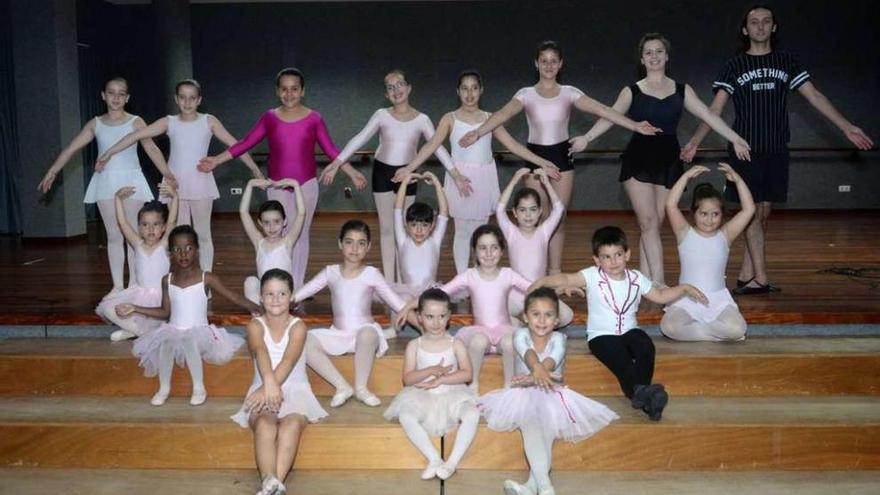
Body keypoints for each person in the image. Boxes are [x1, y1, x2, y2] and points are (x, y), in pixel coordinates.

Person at [681, 4, 874, 294]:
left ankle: (748, 273)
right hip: (745, 148)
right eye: (753, 22)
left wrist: (846, 126)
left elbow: (814, 96)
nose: (759, 26)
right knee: (752, 212)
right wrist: (696, 140)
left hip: (776, 148)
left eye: (765, 21)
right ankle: (760, 277)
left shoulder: (787, 62)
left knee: (763, 213)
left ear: (774, 27)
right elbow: (715, 109)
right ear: (745, 30)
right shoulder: (734, 66)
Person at [459, 41, 660, 277]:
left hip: (561, 157)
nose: (548, 65)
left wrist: (634, 125)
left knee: (558, 217)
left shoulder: (569, 92)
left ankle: (555, 271)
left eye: (553, 60)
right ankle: (534, 272)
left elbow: (602, 109)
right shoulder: (525, 94)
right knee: (534, 219)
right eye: (543, 60)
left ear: (561, 64)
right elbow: (502, 114)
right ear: (536, 64)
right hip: (535, 157)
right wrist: (478, 131)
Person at [569, 33, 752, 285]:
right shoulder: (631, 91)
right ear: (642, 59)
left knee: (654, 225)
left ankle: (643, 282)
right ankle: (659, 283)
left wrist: (735, 138)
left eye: (658, 51)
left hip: (668, 160)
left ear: (666, 56)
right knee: (648, 222)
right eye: (648, 53)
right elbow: (609, 117)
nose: (654, 56)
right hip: (639, 159)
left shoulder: (682, 90)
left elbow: (710, 116)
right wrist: (587, 138)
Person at [199, 68, 367, 290]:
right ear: (278, 91)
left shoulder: (314, 118)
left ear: (302, 91)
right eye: (284, 89)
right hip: (277, 186)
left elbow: (331, 150)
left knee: (300, 234)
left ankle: (295, 288)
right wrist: (216, 160)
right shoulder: (270, 117)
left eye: (294, 89)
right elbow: (246, 143)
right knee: (279, 236)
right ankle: (278, 285)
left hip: (305, 186)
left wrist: (352, 172)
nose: (289, 94)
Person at [529, 226, 707, 421]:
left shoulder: (637, 278)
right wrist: (541, 282)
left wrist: (684, 288)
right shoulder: (592, 276)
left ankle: (644, 396)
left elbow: (661, 295)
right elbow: (565, 278)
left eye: (618, 255)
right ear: (597, 260)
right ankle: (645, 394)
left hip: (630, 330)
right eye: (606, 257)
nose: (613, 261)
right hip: (601, 335)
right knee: (620, 357)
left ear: (627, 254)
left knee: (645, 346)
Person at [96, 79, 263, 272]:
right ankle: (184, 276)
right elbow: (135, 136)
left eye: (192, 98)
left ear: (199, 100)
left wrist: (254, 169)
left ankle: (205, 278)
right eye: (182, 97)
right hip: (174, 184)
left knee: (202, 234)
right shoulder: (169, 122)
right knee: (179, 234)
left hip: (200, 182)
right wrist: (108, 153)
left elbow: (236, 144)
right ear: (176, 99)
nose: (187, 102)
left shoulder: (209, 121)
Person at [403, 70, 560, 273]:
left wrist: (543, 162)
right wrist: (408, 167)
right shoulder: (449, 119)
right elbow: (431, 145)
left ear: (481, 90)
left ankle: (479, 276)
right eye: (465, 88)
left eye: (474, 88)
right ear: (458, 92)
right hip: (460, 178)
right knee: (461, 232)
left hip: (484, 178)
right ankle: (462, 279)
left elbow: (513, 145)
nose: (470, 94)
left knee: (480, 232)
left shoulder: (490, 119)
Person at [319, 69, 468, 282]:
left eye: (399, 84)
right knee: (388, 229)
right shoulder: (382, 115)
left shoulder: (422, 119)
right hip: (383, 172)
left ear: (409, 88)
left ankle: (404, 279)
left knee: (406, 231)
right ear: (386, 95)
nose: (396, 90)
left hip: (408, 174)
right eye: (390, 87)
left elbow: (437, 147)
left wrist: (456, 174)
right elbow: (359, 138)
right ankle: (389, 283)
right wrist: (337, 163)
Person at [37, 77, 174, 298]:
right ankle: (118, 285)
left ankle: (134, 284)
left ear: (127, 98)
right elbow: (71, 148)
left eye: (121, 94)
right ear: (103, 95)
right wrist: (53, 170)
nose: (116, 98)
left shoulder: (136, 122)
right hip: (105, 182)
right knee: (113, 235)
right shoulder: (95, 123)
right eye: (111, 93)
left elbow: (152, 149)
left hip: (132, 181)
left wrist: (168, 174)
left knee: (133, 236)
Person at [478, 288, 618, 495]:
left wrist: (538, 373)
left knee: (547, 433)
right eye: (536, 314)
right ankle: (544, 487)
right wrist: (536, 371)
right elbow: (529, 354)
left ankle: (533, 486)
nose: (542, 320)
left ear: (557, 320)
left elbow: (552, 361)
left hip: (554, 395)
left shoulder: (560, 339)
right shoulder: (520, 335)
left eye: (548, 315)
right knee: (531, 425)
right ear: (525, 317)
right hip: (523, 394)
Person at [119, 225, 262, 406]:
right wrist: (134, 308)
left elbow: (233, 297)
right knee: (167, 341)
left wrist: (260, 308)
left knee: (188, 340)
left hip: (201, 334)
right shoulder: (167, 280)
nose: (183, 254)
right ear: (170, 253)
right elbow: (165, 312)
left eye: (188, 248)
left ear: (197, 250)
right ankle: (164, 388)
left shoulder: (206, 278)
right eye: (177, 250)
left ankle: (199, 387)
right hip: (174, 330)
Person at [399, 224, 531, 391]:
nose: (489, 254)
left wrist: (559, 286)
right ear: (474, 251)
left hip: (503, 330)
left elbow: (533, 287)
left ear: (502, 250)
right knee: (478, 341)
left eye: (494, 248)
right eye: (483, 248)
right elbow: (440, 292)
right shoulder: (470, 275)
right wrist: (409, 306)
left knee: (509, 342)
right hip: (480, 331)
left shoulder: (508, 274)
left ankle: (510, 385)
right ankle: (472, 385)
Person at [231, 269, 327, 495]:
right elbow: (261, 351)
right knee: (265, 424)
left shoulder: (299, 326)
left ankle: (273, 485)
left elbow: (289, 359)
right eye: (270, 294)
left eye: (282, 294)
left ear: (292, 297)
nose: (276, 300)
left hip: (295, 390)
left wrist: (270, 387)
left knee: (291, 424)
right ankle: (269, 480)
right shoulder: (255, 326)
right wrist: (267, 386)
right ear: (261, 298)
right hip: (264, 385)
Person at [293, 220, 406, 408]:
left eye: (361, 243)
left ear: (368, 247)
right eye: (349, 242)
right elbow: (303, 292)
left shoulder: (371, 273)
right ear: (340, 244)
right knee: (304, 340)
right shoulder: (330, 272)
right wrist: (280, 301)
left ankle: (361, 388)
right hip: (338, 334)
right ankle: (342, 386)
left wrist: (420, 316)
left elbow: (398, 304)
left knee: (368, 333)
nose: (355, 248)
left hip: (365, 334)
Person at [383, 288, 479, 481]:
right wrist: (430, 370)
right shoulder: (415, 345)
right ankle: (434, 458)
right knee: (406, 415)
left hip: (452, 393)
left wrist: (442, 379)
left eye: (442, 316)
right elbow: (407, 379)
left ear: (449, 316)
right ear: (419, 317)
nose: (436, 322)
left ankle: (451, 462)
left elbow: (467, 374)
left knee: (472, 413)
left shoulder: (456, 343)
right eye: (430, 316)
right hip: (423, 396)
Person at [662, 163, 755, 341]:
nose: (710, 220)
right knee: (669, 326)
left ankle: (701, 332)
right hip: (687, 300)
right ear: (694, 213)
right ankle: (716, 335)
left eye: (715, 214)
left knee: (738, 328)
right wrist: (686, 177)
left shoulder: (726, 235)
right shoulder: (684, 233)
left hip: (718, 301)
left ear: (722, 214)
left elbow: (749, 209)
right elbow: (670, 205)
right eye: (704, 214)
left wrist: (738, 180)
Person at [96, 183, 178, 341]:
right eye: (145, 225)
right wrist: (118, 199)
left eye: (156, 224)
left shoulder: (164, 244)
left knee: (156, 319)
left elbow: (173, 221)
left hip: (161, 298)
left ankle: (135, 331)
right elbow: (123, 224)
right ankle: (139, 332)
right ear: (139, 228)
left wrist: (175, 197)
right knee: (107, 309)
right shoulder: (137, 244)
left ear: (163, 228)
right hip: (138, 294)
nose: (151, 229)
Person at [496, 167, 573, 326]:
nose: (528, 215)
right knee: (496, 313)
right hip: (516, 295)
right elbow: (499, 209)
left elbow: (558, 209)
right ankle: (529, 320)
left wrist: (546, 183)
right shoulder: (511, 232)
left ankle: (530, 320)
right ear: (515, 213)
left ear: (540, 212)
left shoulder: (543, 232)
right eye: (523, 210)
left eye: (533, 210)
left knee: (567, 317)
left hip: (539, 294)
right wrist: (515, 179)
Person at [239, 178, 305, 304]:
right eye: (266, 223)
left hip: (283, 294)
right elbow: (243, 212)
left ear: (284, 222)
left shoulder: (288, 242)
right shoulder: (259, 242)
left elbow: (301, 213)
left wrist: (296, 185)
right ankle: (260, 312)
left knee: (292, 289)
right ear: (260, 223)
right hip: (265, 294)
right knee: (250, 281)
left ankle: (280, 307)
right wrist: (250, 184)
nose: (272, 227)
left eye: (276, 222)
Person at [392, 171, 448, 301]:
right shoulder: (403, 242)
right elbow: (397, 210)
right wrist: (405, 183)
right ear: (406, 225)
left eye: (424, 225)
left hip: (430, 296)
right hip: (407, 297)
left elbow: (444, 213)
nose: (418, 230)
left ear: (432, 225)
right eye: (413, 225)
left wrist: (437, 184)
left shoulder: (434, 242)